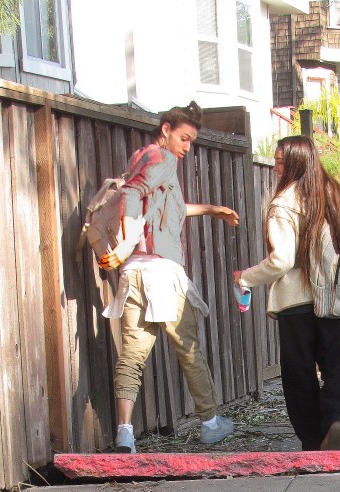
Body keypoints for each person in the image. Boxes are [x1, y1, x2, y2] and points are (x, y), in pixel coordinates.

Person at [101, 101, 239, 453]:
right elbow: (132, 195)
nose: (187, 147)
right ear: (166, 130)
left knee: (132, 355)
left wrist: (210, 209)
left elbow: (166, 207)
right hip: (162, 273)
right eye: (184, 138)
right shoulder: (163, 159)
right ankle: (210, 423)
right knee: (189, 349)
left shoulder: (143, 158)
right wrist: (128, 239)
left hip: (133, 275)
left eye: (191, 141)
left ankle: (125, 434)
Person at [234, 135, 340, 451]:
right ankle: (336, 420)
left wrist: (246, 277)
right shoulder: (334, 195)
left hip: (297, 305)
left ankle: (311, 440)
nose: (276, 167)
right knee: (336, 367)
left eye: (281, 161)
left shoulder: (284, 202)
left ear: (295, 162)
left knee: (299, 375)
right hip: (335, 299)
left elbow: (282, 260)